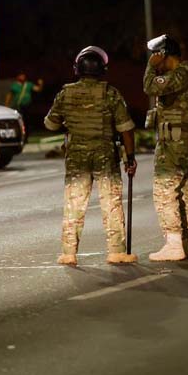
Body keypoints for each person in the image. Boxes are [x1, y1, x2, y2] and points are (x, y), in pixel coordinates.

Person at [43, 46, 138, 266]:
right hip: (105, 155)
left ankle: (68, 253)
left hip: (76, 156)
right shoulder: (110, 93)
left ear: (77, 69)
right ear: (102, 70)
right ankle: (116, 252)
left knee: (74, 204)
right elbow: (126, 128)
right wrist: (129, 158)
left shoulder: (65, 93)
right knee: (111, 203)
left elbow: (50, 124)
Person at [143, 35, 188, 261]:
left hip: (173, 142)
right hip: (185, 139)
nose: (153, 59)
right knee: (182, 192)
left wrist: (150, 69)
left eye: (155, 55)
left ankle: (174, 243)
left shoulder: (179, 75)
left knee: (164, 191)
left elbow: (149, 87)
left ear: (164, 54)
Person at [5, 72, 43, 141]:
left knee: (27, 122)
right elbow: (9, 96)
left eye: (23, 75)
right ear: (18, 77)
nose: (22, 77)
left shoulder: (28, 84)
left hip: (27, 107)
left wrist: (41, 84)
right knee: (20, 122)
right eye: (20, 75)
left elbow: (38, 89)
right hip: (18, 107)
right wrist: (7, 105)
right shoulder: (14, 85)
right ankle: (20, 136)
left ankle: (26, 137)